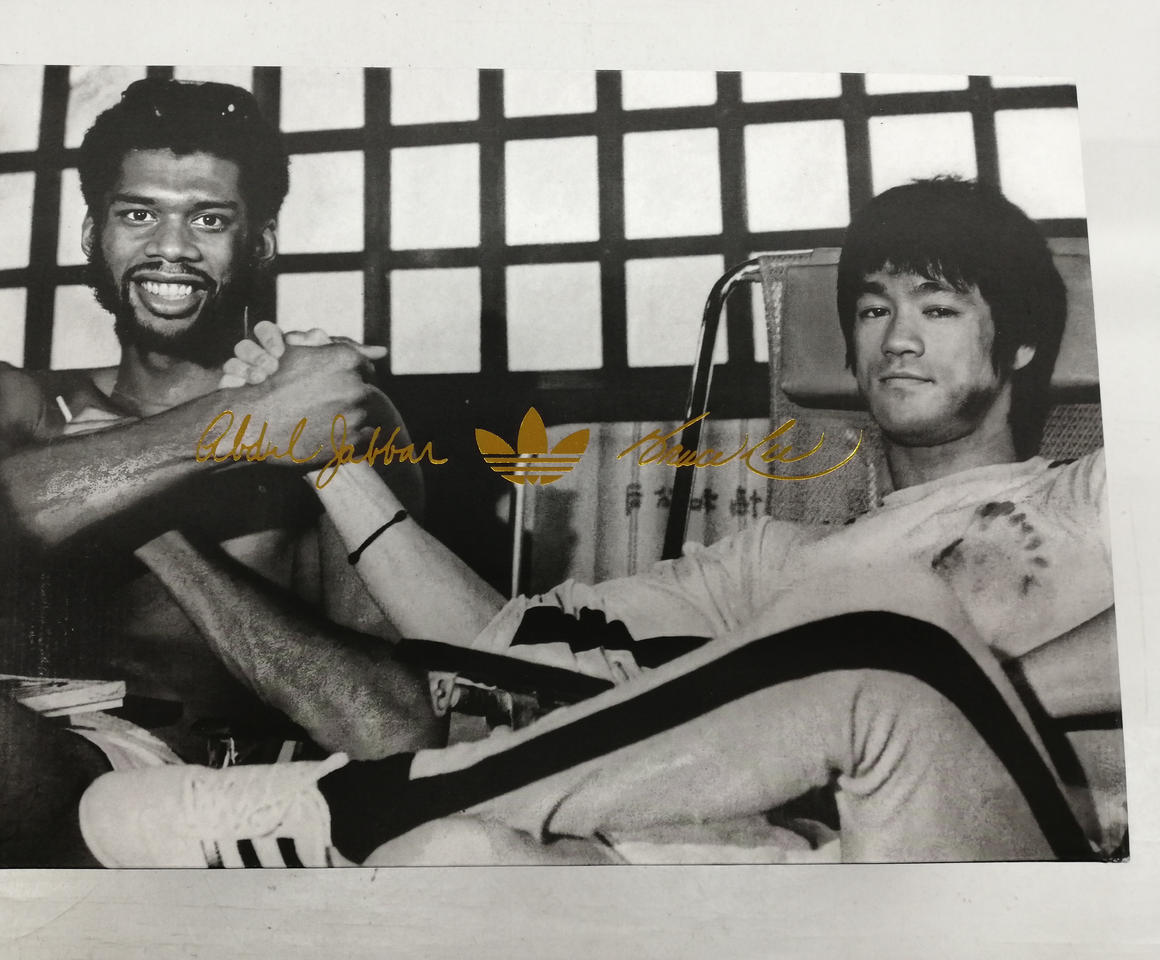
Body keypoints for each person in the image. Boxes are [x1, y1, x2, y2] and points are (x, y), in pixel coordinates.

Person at [77, 177, 1124, 866]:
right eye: (872, 309)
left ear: (1023, 344)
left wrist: (980, 680)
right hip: (798, 879)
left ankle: (361, 803)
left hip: (1018, 861)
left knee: (890, 629)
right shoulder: (775, 559)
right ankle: (394, 817)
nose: (896, 337)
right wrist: (335, 466)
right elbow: (500, 644)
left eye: (938, 308)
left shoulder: (1095, 494)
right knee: (455, 859)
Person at [0, 79, 442, 867]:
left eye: (209, 219)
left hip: (157, 785)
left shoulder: (333, 423)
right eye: (137, 214)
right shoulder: (15, 402)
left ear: (260, 242)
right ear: (92, 233)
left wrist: (153, 527)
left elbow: (396, 727)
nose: (171, 247)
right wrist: (243, 422)